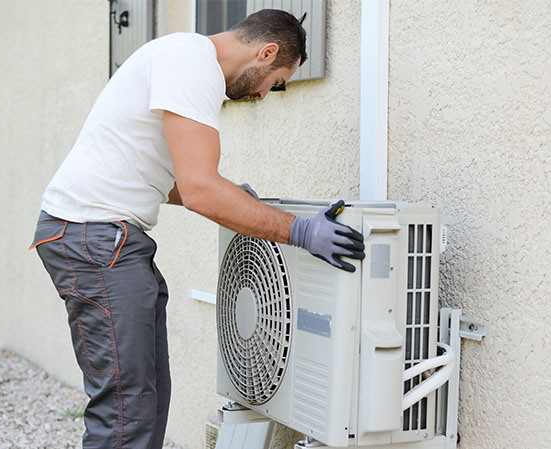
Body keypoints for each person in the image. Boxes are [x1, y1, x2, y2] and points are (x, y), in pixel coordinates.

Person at [29, 9, 365, 449]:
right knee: (125, 409)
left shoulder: (181, 59)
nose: (267, 95)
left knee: (146, 396)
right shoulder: (190, 64)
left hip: (107, 239)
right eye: (276, 81)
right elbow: (201, 190)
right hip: (95, 239)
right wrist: (302, 232)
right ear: (267, 53)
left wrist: (235, 200)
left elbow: (169, 182)